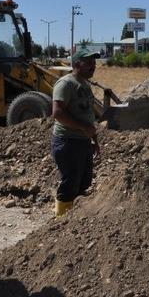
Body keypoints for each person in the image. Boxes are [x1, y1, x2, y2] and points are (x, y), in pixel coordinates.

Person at [50, 48, 101, 216]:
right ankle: (61, 221)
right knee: (70, 183)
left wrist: (94, 139)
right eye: (89, 62)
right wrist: (83, 128)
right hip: (67, 142)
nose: (93, 65)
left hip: (83, 141)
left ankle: (75, 221)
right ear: (77, 64)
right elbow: (57, 113)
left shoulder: (85, 85)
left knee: (84, 183)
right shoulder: (65, 84)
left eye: (94, 62)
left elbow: (88, 115)